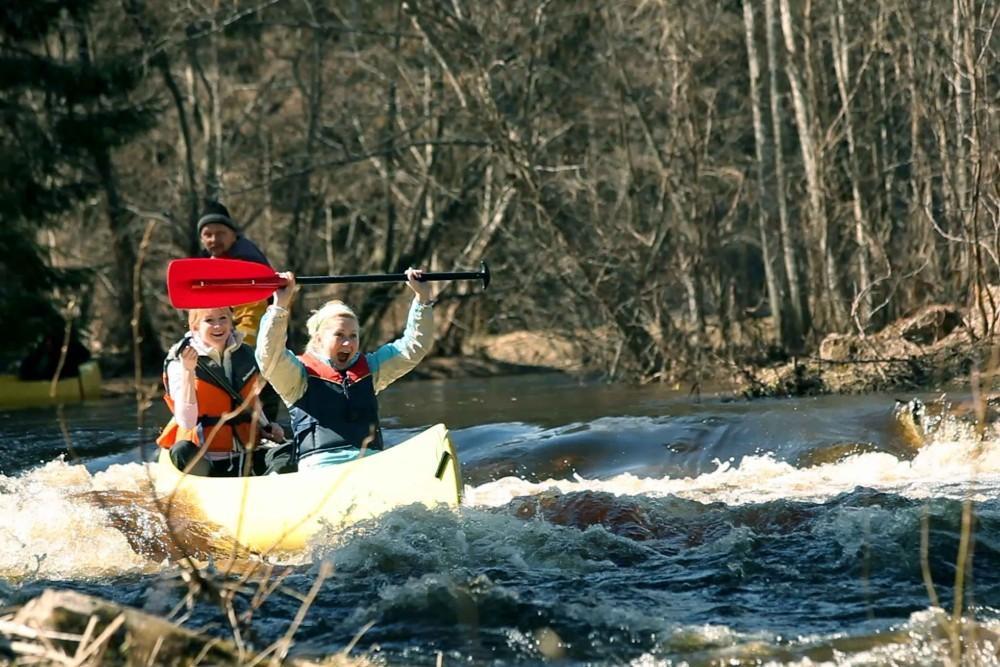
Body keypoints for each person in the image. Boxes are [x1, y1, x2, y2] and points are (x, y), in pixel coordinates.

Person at [255, 268, 437, 470]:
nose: (347, 344)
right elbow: (269, 355)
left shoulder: (372, 369)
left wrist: (422, 300)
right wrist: (279, 306)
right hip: (321, 468)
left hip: (370, 463)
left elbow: (414, 346)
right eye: (339, 335)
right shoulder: (297, 377)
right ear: (318, 338)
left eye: (353, 336)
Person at [157, 306, 284, 476]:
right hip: (205, 458)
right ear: (195, 327)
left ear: (231, 321)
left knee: (287, 452)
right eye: (209, 320)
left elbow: (255, 400)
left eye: (223, 318)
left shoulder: (246, 353)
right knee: (181, 451)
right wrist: (188, 371)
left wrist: (267, 427)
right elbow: (187, 421)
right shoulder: (178, 361)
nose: (218, 326)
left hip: (246, 453)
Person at [197, 200, 282, 424]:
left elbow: (251, 318)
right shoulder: (210, 261)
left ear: (233, 234)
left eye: (220, 233)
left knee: (262, 408)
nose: (214, 240)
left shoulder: (245, 262)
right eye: (208, 234)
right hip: (227, 343)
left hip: (256, 350)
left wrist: (233, 352)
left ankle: (264, 436)